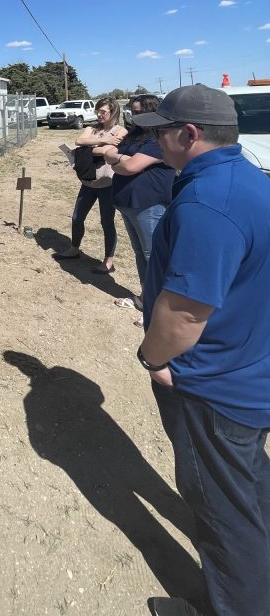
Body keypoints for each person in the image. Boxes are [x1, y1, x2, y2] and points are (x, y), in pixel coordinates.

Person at [132, 84, 270, 616]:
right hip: (246, 368)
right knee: (248, 492)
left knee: (222, 515)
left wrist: (154, 360)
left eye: (162, 131)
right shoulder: (244, 178)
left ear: (189, 135)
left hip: (213, 386)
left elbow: (186, 313)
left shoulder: (209, 203)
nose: (156, 140)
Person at [96, 94, 175, 315]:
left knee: (154, 256)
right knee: (140, 253)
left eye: (139, 111)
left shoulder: (159, 139)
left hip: (149, 205)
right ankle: (145, 299)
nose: (134, 115)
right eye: (133, 111)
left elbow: (128, 165)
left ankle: (158, 310)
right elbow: (110, 154)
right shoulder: (135, 136)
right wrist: (120, 159)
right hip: (129, 203)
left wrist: (119, 159)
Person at [52, 97, 127, 274]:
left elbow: (108, 152)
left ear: (113, 112)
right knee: (77, 217)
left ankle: (108, 261)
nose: (99, 114)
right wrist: (104, 142)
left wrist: (88, 149)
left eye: (103, 111)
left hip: (108, 184)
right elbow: (79, 141)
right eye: (98, 111)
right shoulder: (91, 128)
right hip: (88, 182)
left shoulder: (121, 130)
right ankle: (74, 249)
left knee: (106, 222)